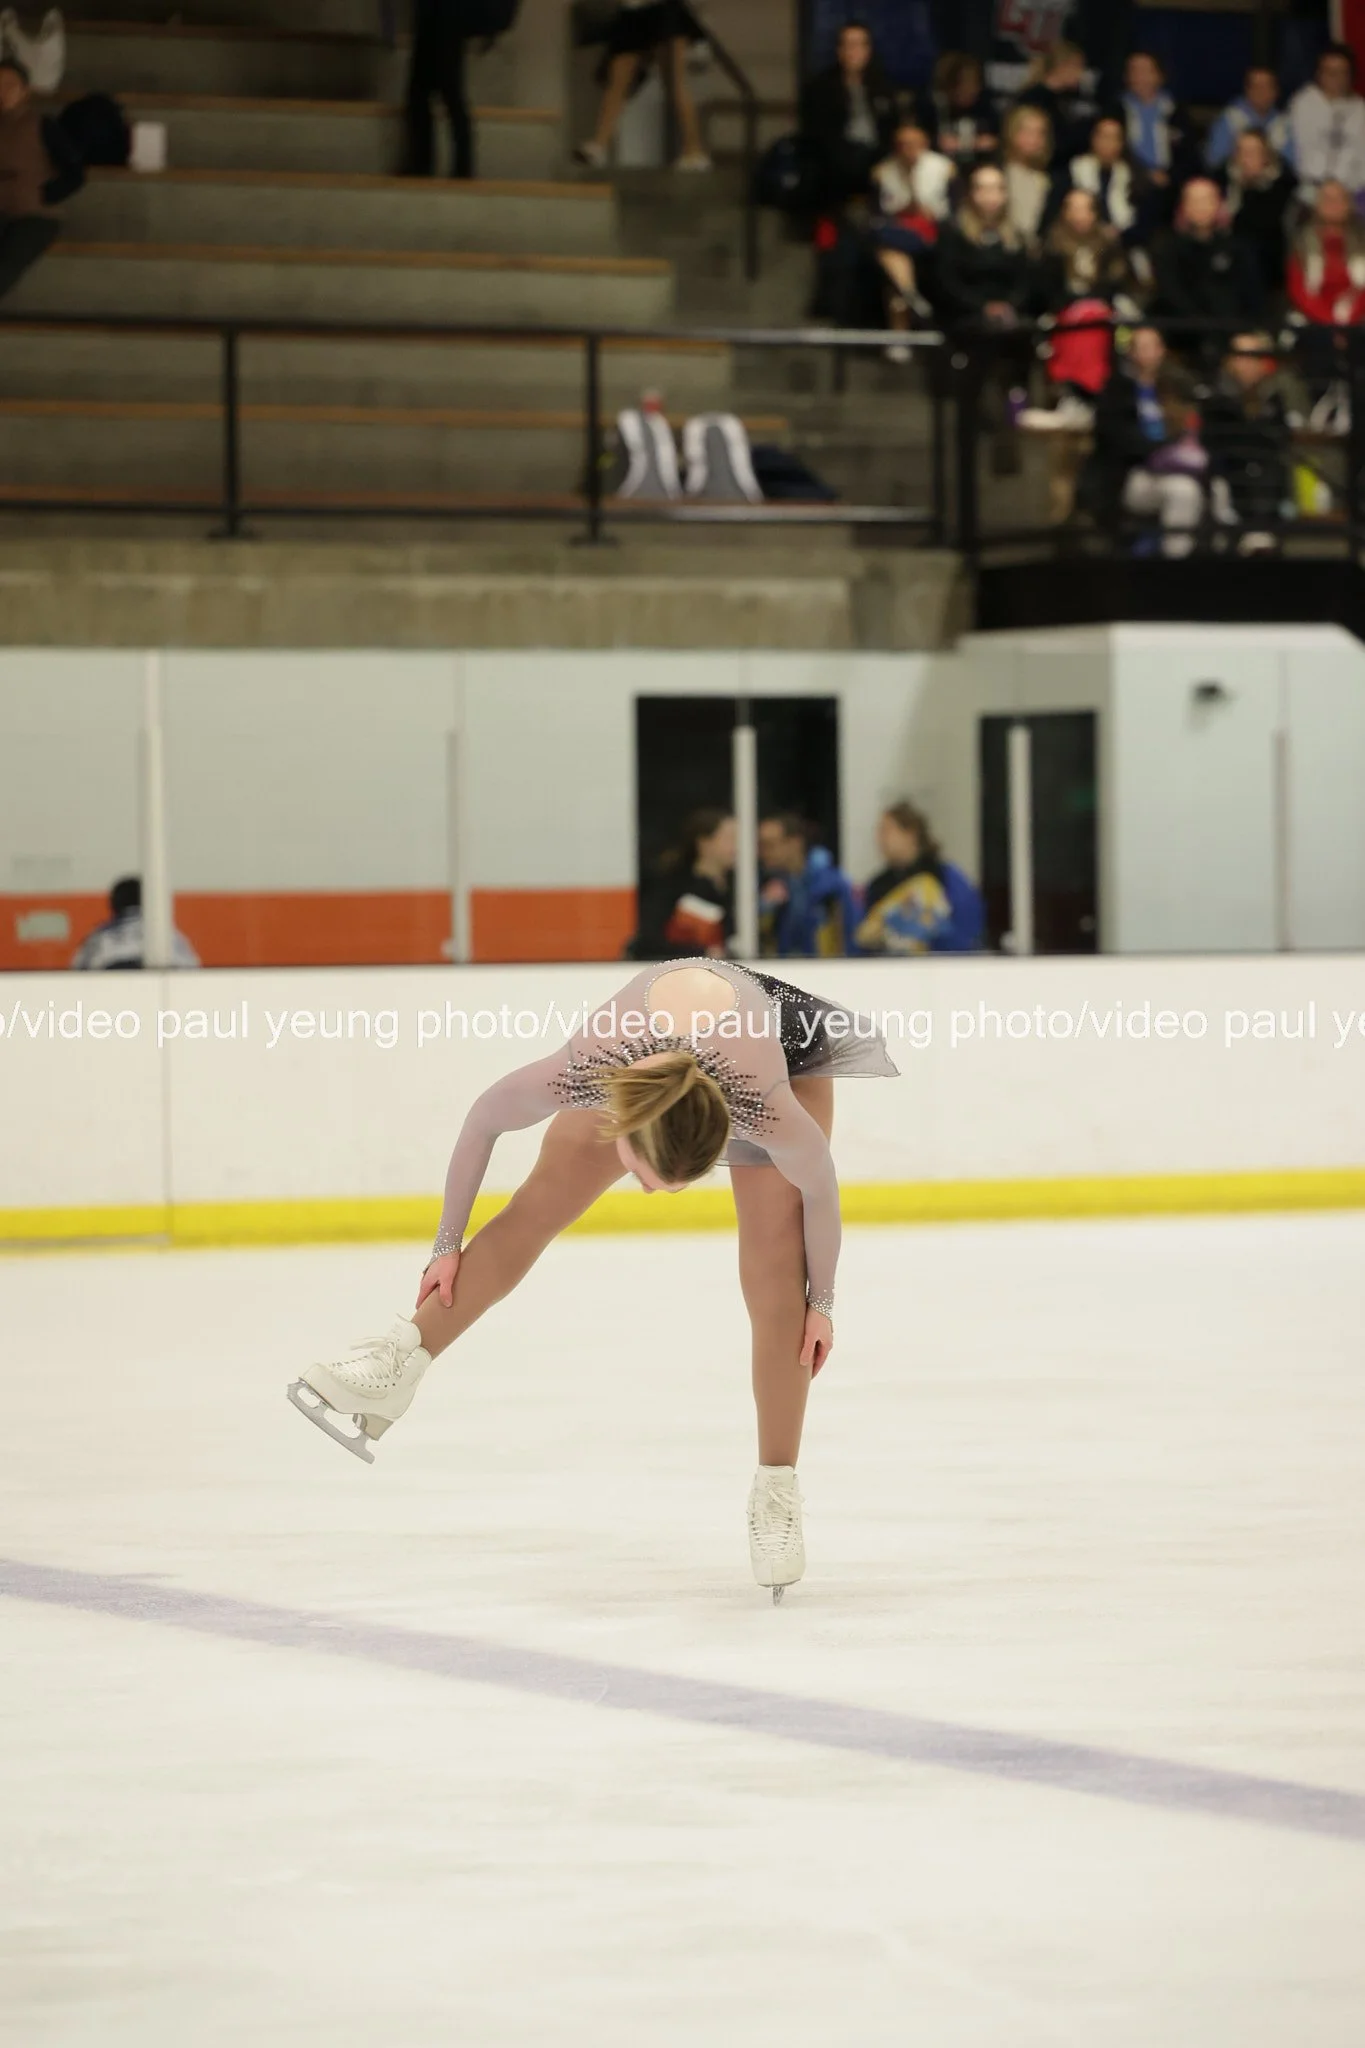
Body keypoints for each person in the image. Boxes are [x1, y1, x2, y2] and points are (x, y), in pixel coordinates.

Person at [288, 956, 900, 1600]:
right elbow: (484, 1119)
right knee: (540, 1201)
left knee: (776, 1269)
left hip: (779, 1044)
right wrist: (445, 1244)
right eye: (647, 1175)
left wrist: (823, 1302)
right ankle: (399, 1363)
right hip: (661, 1048)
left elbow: (821, 1190)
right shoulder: (589, 1063)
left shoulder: (769, 1106)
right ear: (624, 1122)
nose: (651, 1192)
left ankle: (776, 1491)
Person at [1079, 324, 1215, 557]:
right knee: (1184, 491)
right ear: (1131, 352)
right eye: (1141, 347)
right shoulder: (1117, 390)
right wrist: (1161, 452)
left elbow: (1191, 429)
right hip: (1133, 473)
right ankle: (1174, 564)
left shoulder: (1175, 387)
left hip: (1177, 466)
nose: (1148, 353)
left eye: (1153, 346)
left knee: (1217, 488)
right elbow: (1117, 440)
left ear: (1162, 351)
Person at [1020, 188, 1136, 429]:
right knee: (1081, 321)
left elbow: (1117, 282)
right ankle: (1075, 394)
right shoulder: (1051, 244)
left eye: (1085, 209)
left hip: (1104, 313)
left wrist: (1092, 303)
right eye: (1073, 208)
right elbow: (1045, 289)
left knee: (1096, 319)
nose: (1079, 215)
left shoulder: (1109, 244)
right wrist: (1074, 305)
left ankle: (1094, 396)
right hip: (1060, 314)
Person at [574, 0, 710, 173]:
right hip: (633, 11)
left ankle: (694, 150)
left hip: (664, 10)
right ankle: (599, 145)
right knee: (617, 82)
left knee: (675, 82)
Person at [1199, 333, 1293, 548]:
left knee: (1266, 470)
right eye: (1241, 356)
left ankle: (1262, 536)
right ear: (1230, 361)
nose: (1247, 364)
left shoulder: (1273, 397)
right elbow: (1216, 444)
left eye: (1254, 356)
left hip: (1264, 481)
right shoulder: (1216, 397)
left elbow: (1279, 442)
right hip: (1227, 478)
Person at [1152, 177, 1264, 352]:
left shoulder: (1237, 247)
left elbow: (1252, 295)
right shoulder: (1167, 248)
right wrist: (1203, 329)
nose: (1201, 207)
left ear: (1219, 204)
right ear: (1183, 207)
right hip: (1185, 338)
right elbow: (1171, 296)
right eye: (1194, 201)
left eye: (1206, 200)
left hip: (1234, 335)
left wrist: (1242, 332)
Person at [855, 803, 983, 954]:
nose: (879, 839)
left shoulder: (945, 877)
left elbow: (966, 929)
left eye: (886, 831)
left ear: (910, 834)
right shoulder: (877, 886)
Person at [1286, 178, 1365, 424]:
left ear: (1349, 205)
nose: (1333, 205)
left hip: (1357, 320)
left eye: (1339, 199)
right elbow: (1299, 291)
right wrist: (1332, 326)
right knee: (1318, 342)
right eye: (1327, 199)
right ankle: (1319, 418)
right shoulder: (1301, 242)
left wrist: (1347, 324)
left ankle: (1356, 421)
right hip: (1316, 323)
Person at [0, 56, 79, 300]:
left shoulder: (42, 125)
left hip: (35, 215)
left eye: (9, 85)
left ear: (24, 91)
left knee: (8, 263)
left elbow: (74, 171)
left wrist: (47, 194)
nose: (3, 92)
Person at [799, 19, 902, 205]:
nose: (854, 51)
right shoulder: (821, 87)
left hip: (877, 155)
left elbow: (892, 124)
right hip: (837, 159)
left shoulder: (881, 84)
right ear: (839, 50)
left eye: (860, 45)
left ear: (868, 50)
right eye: (849, 45)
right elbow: (817, 134)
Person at [869, 116, 953, 341]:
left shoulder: (944, 168)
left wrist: (929, 213)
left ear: (925, 143)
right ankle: (910, 296)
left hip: (933, 230)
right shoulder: (883, 171)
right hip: (898, 231)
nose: (908, 149)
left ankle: (908, 297)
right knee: (886, 242)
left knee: (889, 253)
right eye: (902, 144)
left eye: (914, 143)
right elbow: (877, 213)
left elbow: (954, 210)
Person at [932, 160, 1033, 329]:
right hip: (964, 317)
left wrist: (1009, 305)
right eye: (982, 188)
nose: (990, 196)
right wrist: (982, 307)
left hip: (1011, 317)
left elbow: (1026, 283)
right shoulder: (953, 232)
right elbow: (947, 283)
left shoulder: (1017, 236)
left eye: (997, 188)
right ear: (971, 193)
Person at [628, 807, 735, 959]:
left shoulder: (739, 889)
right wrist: (701, 953)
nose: (738, 846)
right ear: (704, 842)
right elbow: (649, 940)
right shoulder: (673, 886)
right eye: (730, 838)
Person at [757, 814, 860, 959]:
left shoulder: (831, 886)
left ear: (795, 843)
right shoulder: (774, 884)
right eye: (760, 846)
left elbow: (850, 937)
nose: (763, 853)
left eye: (770, 845)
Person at [403, 0, 474, 179]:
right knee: (446, 93)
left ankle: (424, 163)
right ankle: (460, 165)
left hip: (440, 16)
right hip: (447, 17)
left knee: (427, 93)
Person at [1223, 128, 1296, 305]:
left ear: (1266, 156)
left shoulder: (1283, 185)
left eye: (1253, 152)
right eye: (1241, 151)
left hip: (1268, 257)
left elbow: (1265, 225)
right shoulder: (1221, 178)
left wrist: (1250, 188)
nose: (1246, 158)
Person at [70, 876, 201, 970]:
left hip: (112, 995)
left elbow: (78, 972)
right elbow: (192, 969)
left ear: (114, 903)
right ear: (150, 901)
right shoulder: (170, 935)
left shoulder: (101, 937)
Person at [1289, 44, 1365, 203]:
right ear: (1319, 73)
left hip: (1350, 195)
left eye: (1341, 72)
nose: (1335, 78)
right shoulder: (1302, 103)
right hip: (1308, 191)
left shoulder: (1360, 109)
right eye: (1330, 72)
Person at [1114, 50, 1192, 204]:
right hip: (1128, 181)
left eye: (1145, 71)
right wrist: (1143, 174)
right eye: (1133, 71)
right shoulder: (1116, 110)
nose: (1139, 77)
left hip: (1170, 185)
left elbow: (1189, 154)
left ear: (1159, 76)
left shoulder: (1175, 111)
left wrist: (1170, 176)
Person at [1064, 113, 1144, 242]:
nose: (1109, 143)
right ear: (1094, 139)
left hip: (1122, 241)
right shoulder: (1075, 170)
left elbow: (1138, 222)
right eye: (1104, 137)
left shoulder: (1131, 176)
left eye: (1115, 138)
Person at [1015, 40, 1095, 167]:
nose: (1081, 74)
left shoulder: (1067, 98)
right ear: (1063, 66)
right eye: (1078, 67)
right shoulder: (1034, 98)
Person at [1205, 64, 1295, 173]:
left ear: (1276, 91)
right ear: (1247, 89)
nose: (1261, 92)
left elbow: (1291, 164)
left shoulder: (1282, 122)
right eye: (1256, 86)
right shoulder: (1230, 118)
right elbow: (1214, 161)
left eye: (1267, 86)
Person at [926, 49, 997, 170]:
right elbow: (927, 141)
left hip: (981, 167)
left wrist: (967, 144)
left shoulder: (986, 108)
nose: (970, 90)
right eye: (963, 84)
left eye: (974, 84)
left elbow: (994, 140)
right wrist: (936, 142)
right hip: (943, 167)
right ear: (950, 87)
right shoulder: (936, 109)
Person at [1001, 102, 1053, 249]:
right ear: (1011, 133)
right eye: (1027, 132)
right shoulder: (998, 173)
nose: (1034, 139)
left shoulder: (1048, 180)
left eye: (1040, 133)